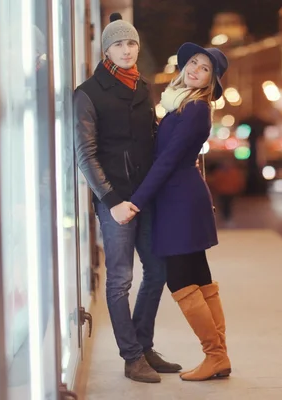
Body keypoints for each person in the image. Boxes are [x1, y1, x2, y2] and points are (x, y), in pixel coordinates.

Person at [74, 13, 181, 383]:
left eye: (131, 43)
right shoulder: (88, 93)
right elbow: (85, 154)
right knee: (120, 280)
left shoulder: (142, 87)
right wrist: (111, 199)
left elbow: (152, 140)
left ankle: (144, 346)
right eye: (118, 44)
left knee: (159, 270)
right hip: (115, 199)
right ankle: (131, 356)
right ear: (106, 50)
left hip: (146, 196)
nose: (126, 49)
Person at [128, 42, 231, 382]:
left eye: (204, 69)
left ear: (210, 82)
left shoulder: (196, 109)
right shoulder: (180, 104)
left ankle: (214, 355)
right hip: (182, 197)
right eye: (193, 63)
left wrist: (137, 200)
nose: (194, 70)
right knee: (200, 277)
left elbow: (167, 161)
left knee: (181, 279)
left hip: (179, 200)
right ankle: (220, 356)